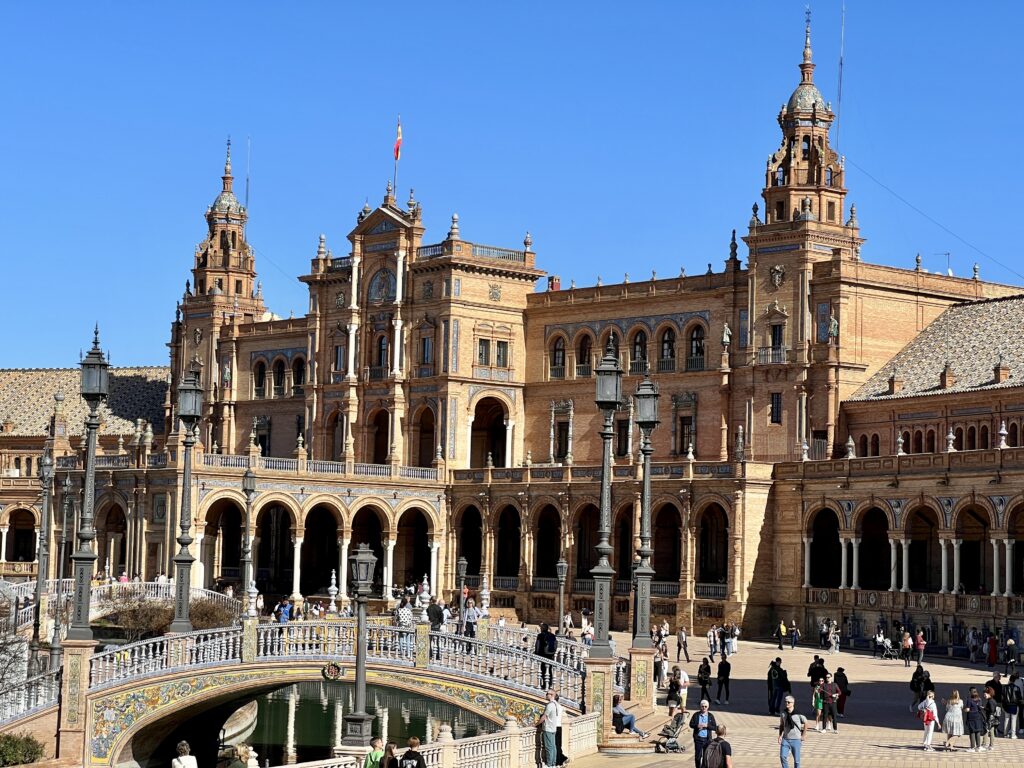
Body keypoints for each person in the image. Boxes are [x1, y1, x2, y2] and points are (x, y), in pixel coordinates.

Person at [778, 695, 806, 768]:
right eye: (785, 702)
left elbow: (806, 723)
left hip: (796, 739)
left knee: (797, 760)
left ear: (793, 703)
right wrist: (780, 735)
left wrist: (803, 735)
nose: (787, 703)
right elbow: (781, 725)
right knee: (782, 756)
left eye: (788, 702)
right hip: (785, 739)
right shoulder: (783, 713)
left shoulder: (798, 713)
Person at [689, 700, 717, 768]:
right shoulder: (696, 715)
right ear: (700, 707)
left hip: (707, 739)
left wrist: (707, 726)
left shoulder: (710, 716)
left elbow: (715, 727)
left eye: (705, 706)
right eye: (702, 706)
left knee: (706, 756)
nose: (704, 708)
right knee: (698, 756)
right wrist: (697, 726)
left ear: (708, 707)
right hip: (698, 738)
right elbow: (691, 724)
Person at [537, 689, 562, 766]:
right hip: (553, 728)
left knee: (549, 748)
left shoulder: (550, 705)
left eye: (547, 693)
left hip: (548, 728)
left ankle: (549, 764)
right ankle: (553, 763)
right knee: (553, 747)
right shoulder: (556, 704)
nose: (546, 695)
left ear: (552, 695)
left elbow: (544, 717)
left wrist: (536, 724)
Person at [535, 623, 557, 689]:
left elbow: (537, 645)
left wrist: (536, 653)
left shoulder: (540, 635)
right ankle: (550, 683)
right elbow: (555, 644)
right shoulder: (552, 635)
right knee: (549, 669)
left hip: (542, 654)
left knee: (543, 669)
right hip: (550, 654)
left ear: (542, 629)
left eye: (541, 628)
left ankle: (545, 684)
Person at [964, 687, 986, 752]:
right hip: (978, 717)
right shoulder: (979, 699)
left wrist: (964, 709)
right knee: (978, 731)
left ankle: (973, 747)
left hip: (971, 717)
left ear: (970, 692)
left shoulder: (969, 700)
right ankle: (978, 746)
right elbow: (981, 707)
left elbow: (968, 709)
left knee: (972, 732)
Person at [1003, 672, 1022, 739]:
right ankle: (1013, 734)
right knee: (1014, 720)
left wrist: (1003, 705)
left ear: (1010, 680)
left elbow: (1002, 697)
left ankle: (1005, 734)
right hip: (1014, 705)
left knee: (1006, 719)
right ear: (1014, 681)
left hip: (1006, 705)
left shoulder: (1005, 687)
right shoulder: (1017, 688)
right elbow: (1019, 697)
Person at [982, 687, 998, 751]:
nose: (984, 695)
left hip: (989, 718)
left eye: (985, 694)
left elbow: (991, 710)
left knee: (986, 731)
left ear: (989, 694)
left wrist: (984, 708)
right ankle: (991, 745)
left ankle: (984, 744)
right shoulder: (993, 700)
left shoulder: (990, 701)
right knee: (991, 731)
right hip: (992, 718)